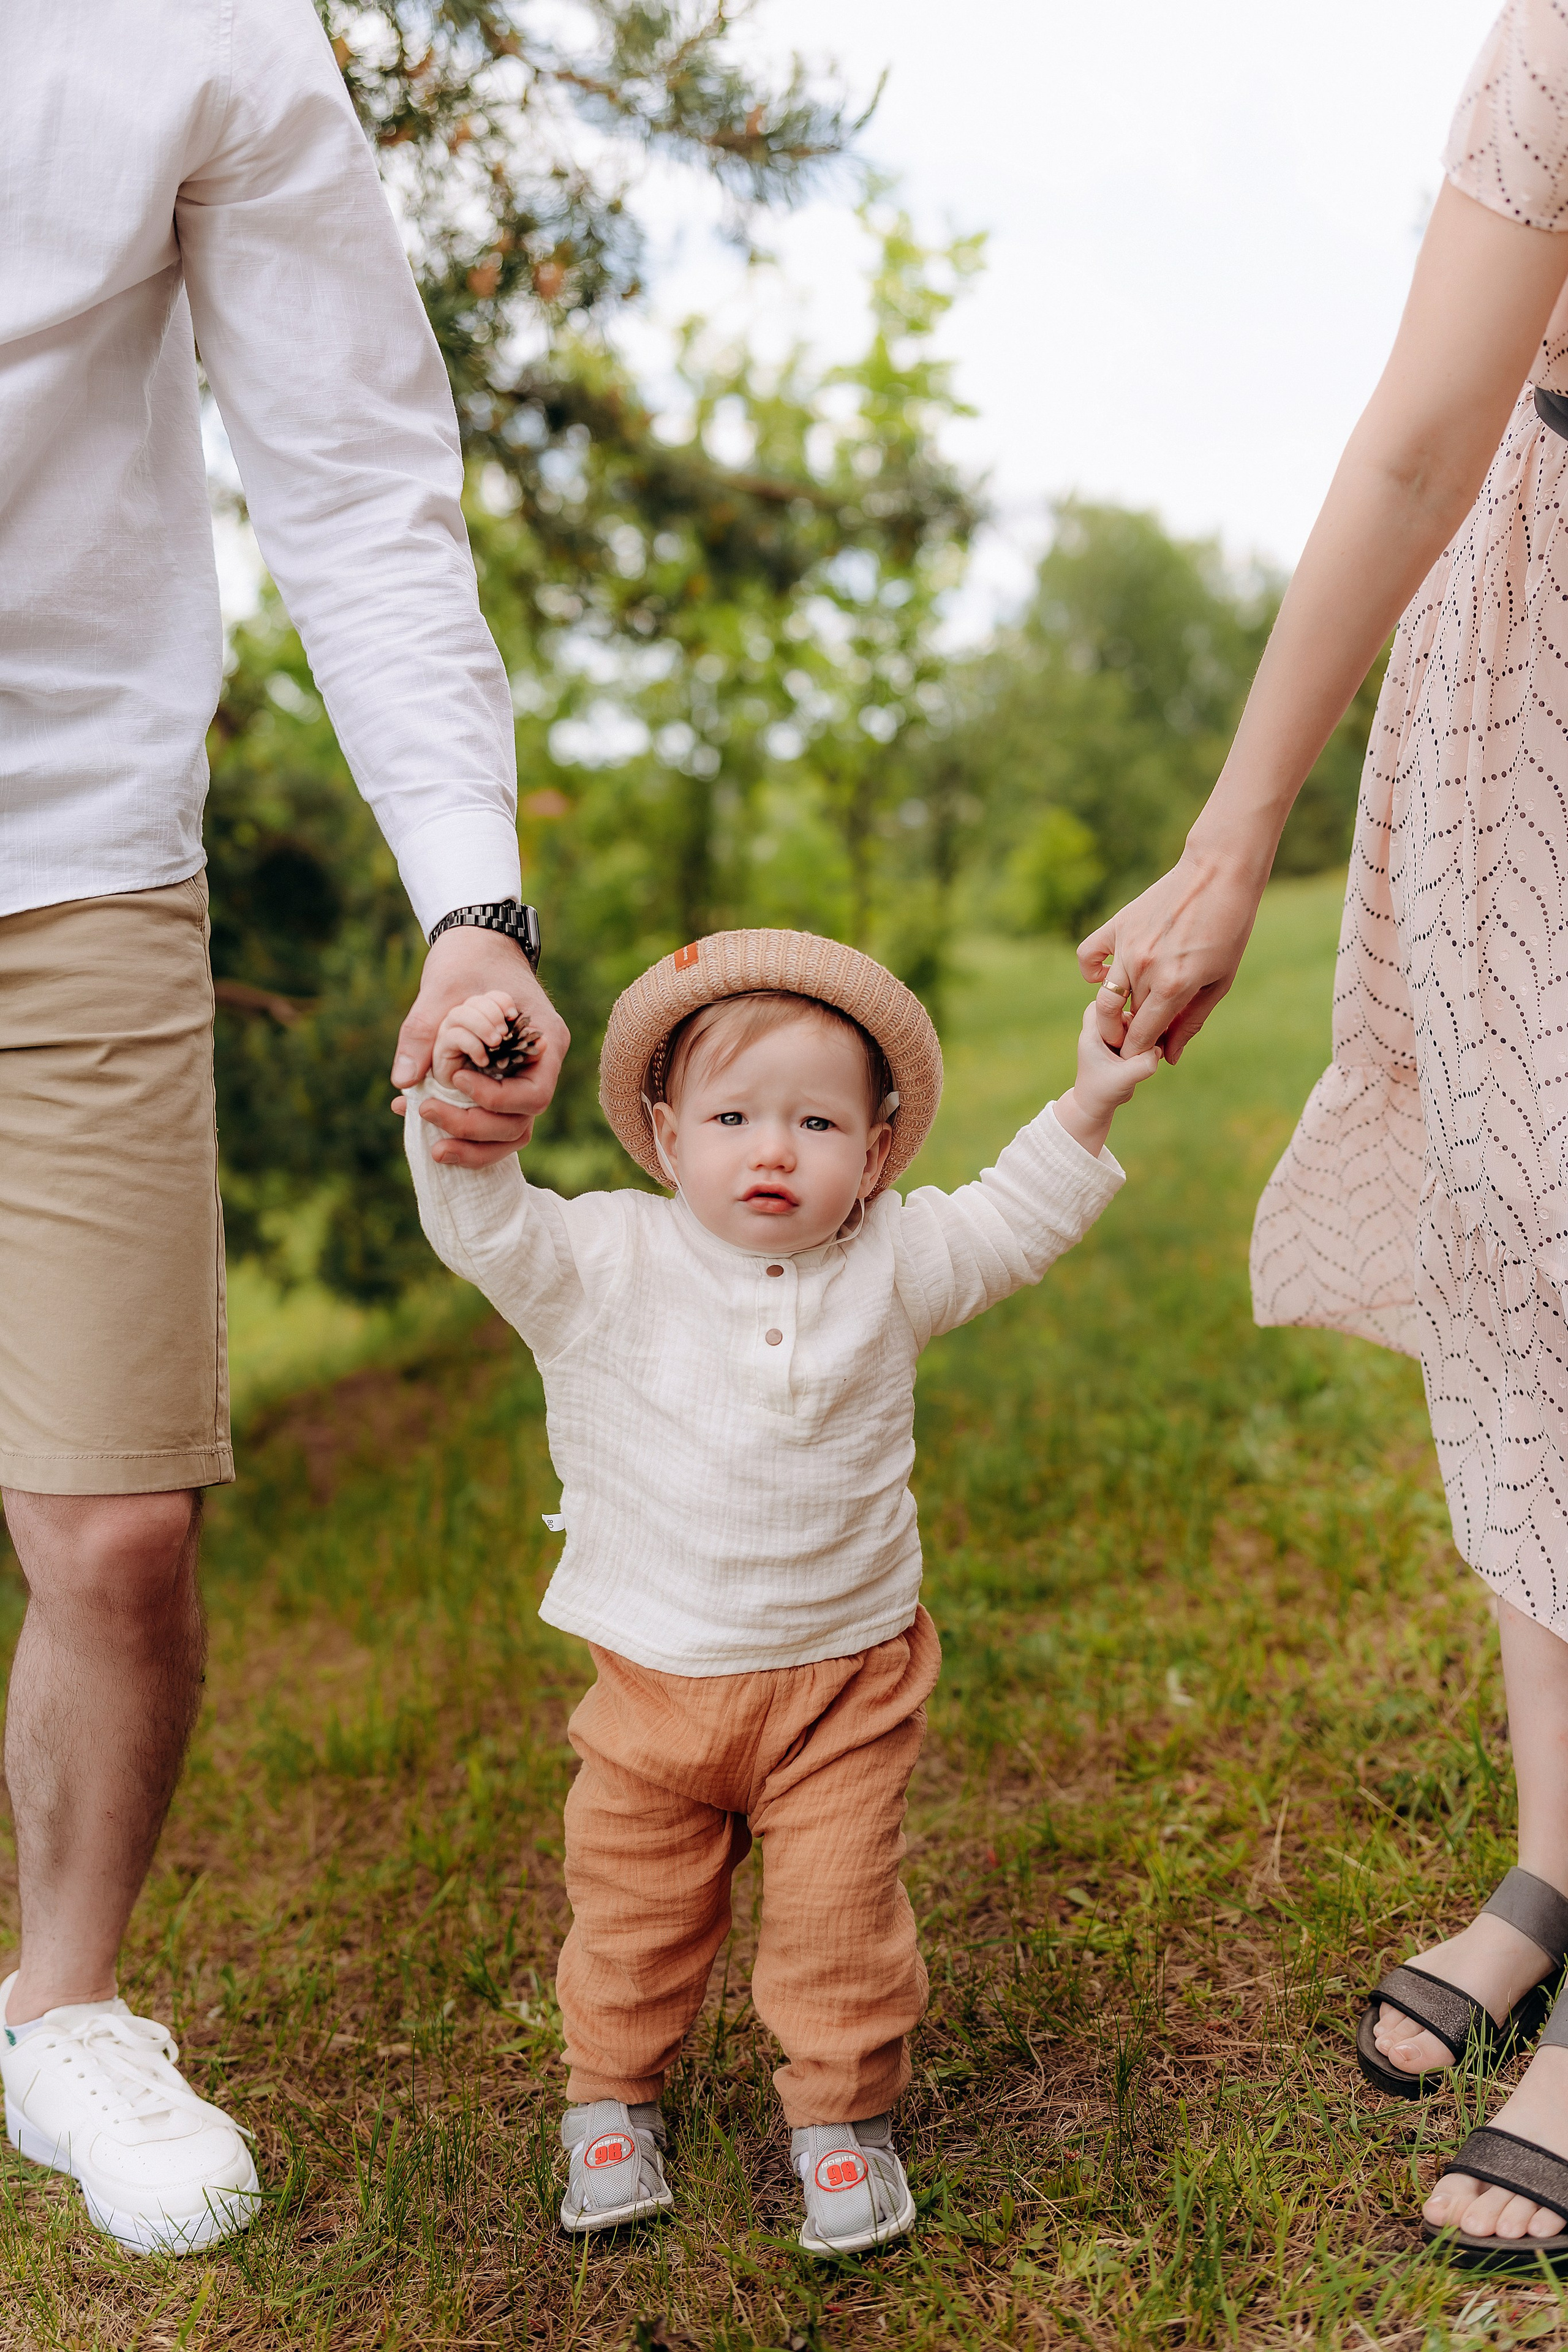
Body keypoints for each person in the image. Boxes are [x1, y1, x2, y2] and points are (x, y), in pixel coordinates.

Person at [0, 0, 567, 2255]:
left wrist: (470, 905)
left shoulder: (203, 26)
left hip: (68, 852)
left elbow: (348, 474)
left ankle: (64, 2014)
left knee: (120, 1533)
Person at [1077, 0, 1568, 2274]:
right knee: (1521, 1268)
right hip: (1530, 668)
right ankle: (1556, 1858)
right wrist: (1226, 833)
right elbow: (1419, 435)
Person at [396, 927, 1158, 2252]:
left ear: (871, 1154)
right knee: (630, 1917)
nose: (770, 1151)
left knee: (839, 1921)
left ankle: (839, 2123)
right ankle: (611, 2102)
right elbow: (484, 1225)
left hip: (843, 1683)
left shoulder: (892, 1263)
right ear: (663, 1131)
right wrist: (463, 1112)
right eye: (732, 1116)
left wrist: (1087, 1098)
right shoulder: (598, 1265)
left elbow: (1009, 1220)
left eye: (815, 1122)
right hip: (650, 1686)